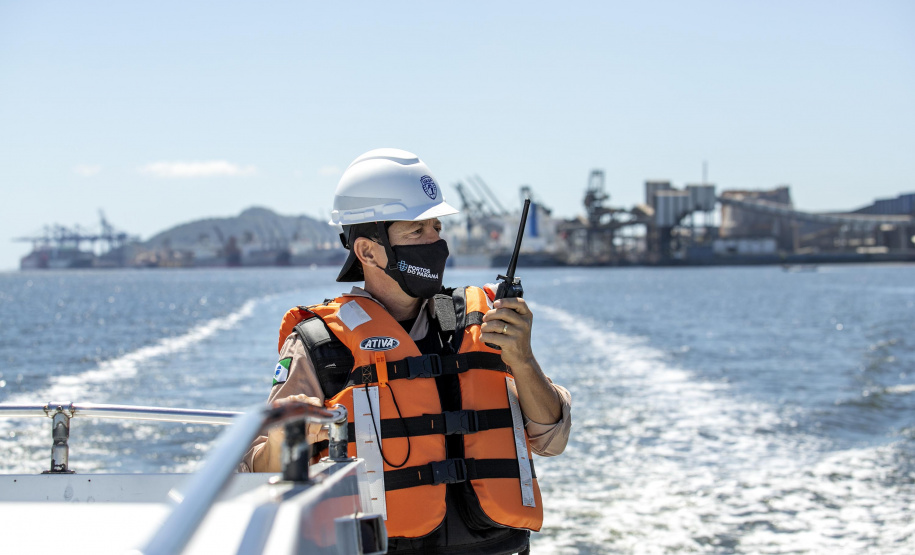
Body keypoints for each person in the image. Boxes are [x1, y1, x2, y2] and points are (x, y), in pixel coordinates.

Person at [241, 148, 571, 555]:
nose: (434, 242)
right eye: (416, 232)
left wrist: (523, 360)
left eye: (435, 227)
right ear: (367, 251)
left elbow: (552, 439)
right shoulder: (318, 343)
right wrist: (288, 434)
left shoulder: (485, 323)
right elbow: (258, 469)